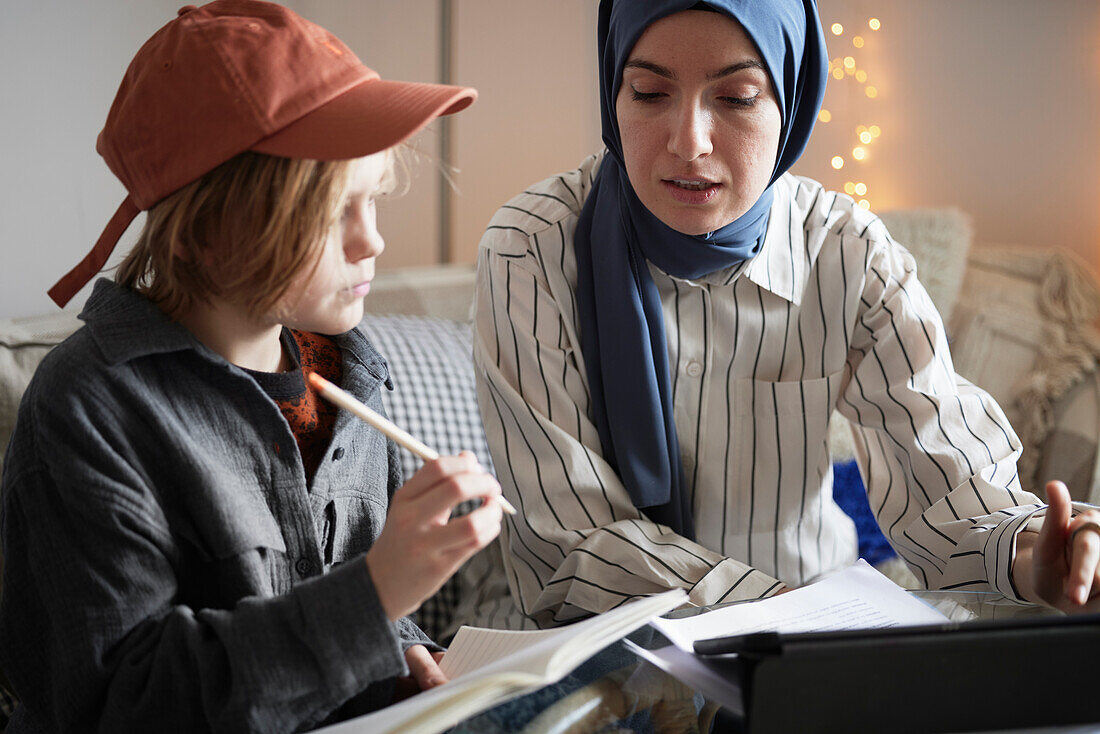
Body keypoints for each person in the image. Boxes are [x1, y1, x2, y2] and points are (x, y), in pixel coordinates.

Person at [470, 0, 1100, 630]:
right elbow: (572, 537)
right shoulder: (531, 249)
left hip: (813, 660)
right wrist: (784, 614)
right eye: (649, 91)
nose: (688, 141)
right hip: (605, 654)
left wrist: (1034, 554)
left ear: (791, 104)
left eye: (738, 97)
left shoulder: (849, 254)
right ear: (615, 94)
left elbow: (946, 487)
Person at [0, 2, 504, 731]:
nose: (373, 243)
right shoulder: (88, 409)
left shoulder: (353, 371)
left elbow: (362, 625)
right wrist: (374, 595)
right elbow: (119, 706)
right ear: (206, 232)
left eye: (373, 201)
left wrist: (401, 659)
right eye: (334, 213)